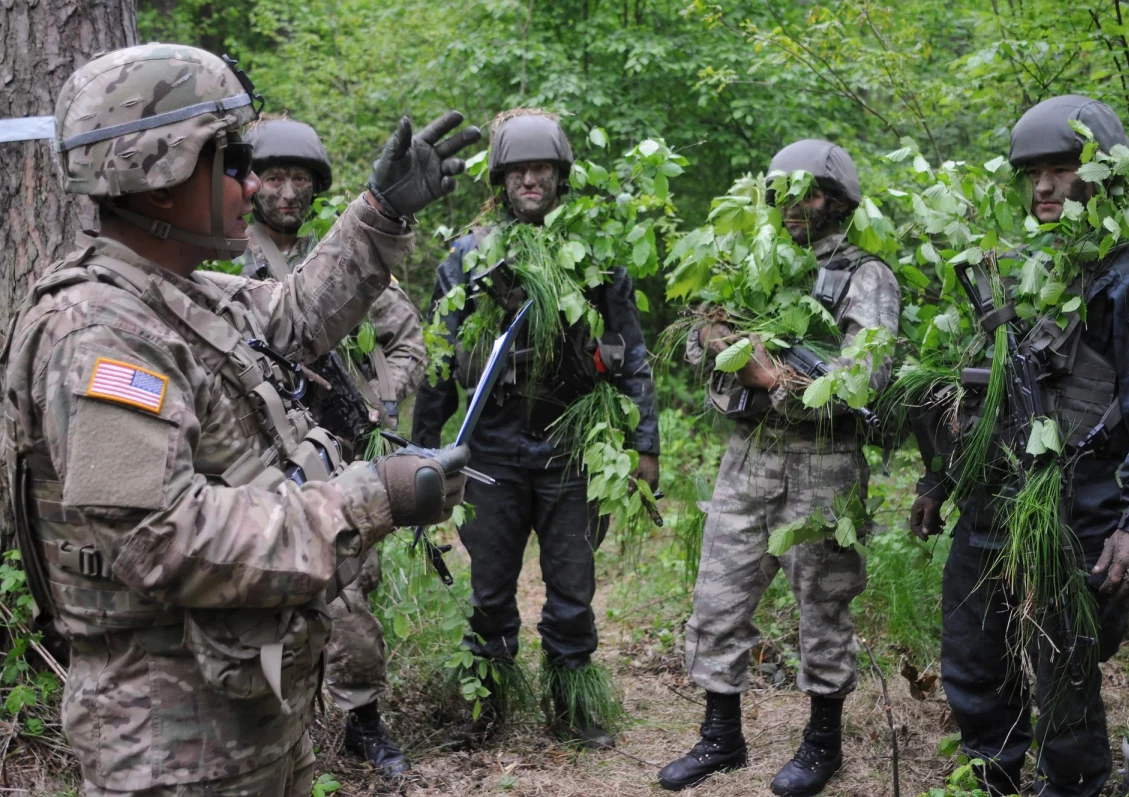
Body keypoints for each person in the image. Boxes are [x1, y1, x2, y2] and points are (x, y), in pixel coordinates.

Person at [2, 43, 479, 796]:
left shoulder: (177, 290)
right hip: (170, 743)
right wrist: (367, 499)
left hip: (240, 708)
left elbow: (290, 317)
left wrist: (378, 215)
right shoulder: (99, 334)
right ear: (156, 181)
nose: (253, 184)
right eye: (230, 162)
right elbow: (161, 539)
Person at [908, 95, 1129, 797]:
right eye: (1033, 173)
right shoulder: (1015, 274)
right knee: (975, 661)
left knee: (1064, 670)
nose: (1043, 187)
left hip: (1082, 508)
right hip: (991, 505)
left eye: (1063, 169)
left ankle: (1074, 786)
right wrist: (939, 482)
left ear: (1102, 175)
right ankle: (994, 779)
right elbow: (981, 397)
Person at [658, 140, 899, 796]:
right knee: (717, 598)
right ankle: (720, 735)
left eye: (812, 193)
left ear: (840, 202)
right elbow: (696, 337)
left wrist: (776, 379)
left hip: (824, 464)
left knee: (823, 605)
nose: (796, 205)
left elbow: (862, 377)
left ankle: (822, 743)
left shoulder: (864, 276)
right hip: (748, 457)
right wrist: (710, 338)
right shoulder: (757, 267)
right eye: (786, 193)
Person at [412, 111, 658, 747]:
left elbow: (631, 353)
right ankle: (485, 703)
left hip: (573, 453)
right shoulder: (467, 258)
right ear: (499, 178)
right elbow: (439, 363)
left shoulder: (595, 257)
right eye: (517, 169)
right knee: (490, 593)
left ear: (559, 176)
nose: (530, 179)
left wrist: (644, 447)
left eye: (541, 168)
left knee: (572, 593)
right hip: (490, 451)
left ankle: (572, 705)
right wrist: (424, 452)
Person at [238, 117, 428, 779]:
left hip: (339, 448)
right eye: (276, 177)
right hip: (254, 455)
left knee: (348, 590)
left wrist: (379, 397)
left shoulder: (348, 258)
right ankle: (274, 730)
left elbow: (407, 345)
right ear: (250, 183)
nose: (288, 192)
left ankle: (361, 719)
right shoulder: (225, 267)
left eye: (301, 179)